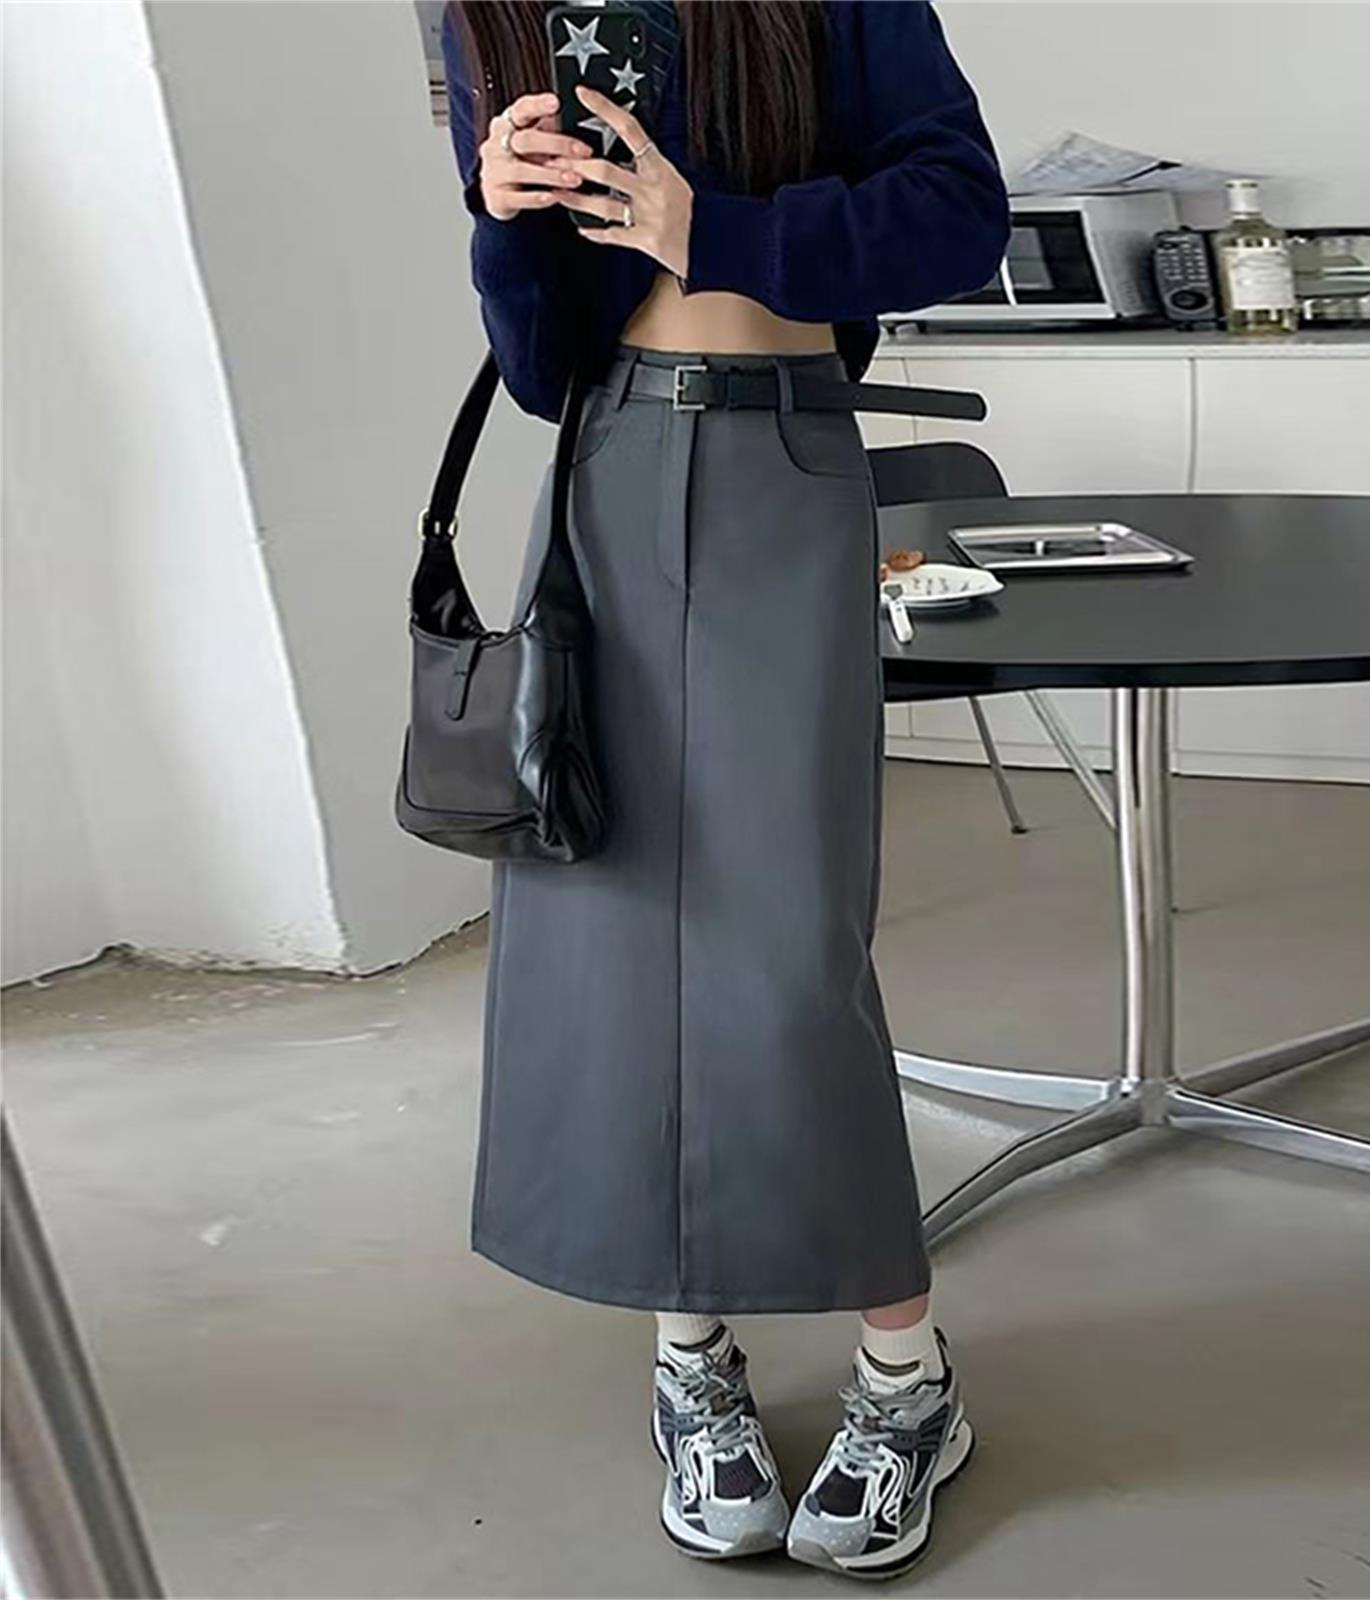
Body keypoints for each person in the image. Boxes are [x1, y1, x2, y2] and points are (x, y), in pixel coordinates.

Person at [438, 0, 1009, 1577]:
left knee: (787, 950)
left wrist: (719, 230)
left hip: (782, 463)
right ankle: (690, 1360)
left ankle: (908, 1374)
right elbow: (542, 365)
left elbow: (961, 213)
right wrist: (502, 220)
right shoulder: (493, 12)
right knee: (619, 929)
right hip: (611, 468)